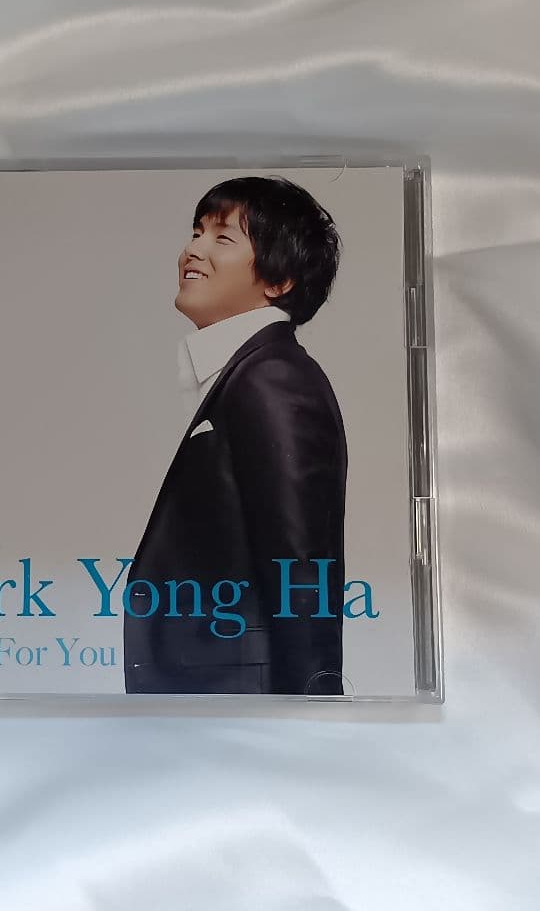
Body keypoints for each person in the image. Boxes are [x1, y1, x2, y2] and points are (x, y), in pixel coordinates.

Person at [124, 175, 347, 695]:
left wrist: (313, 715)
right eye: (196, 232)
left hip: (242, 704)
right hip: (221, 698)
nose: (193, 250)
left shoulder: (272, 377)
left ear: (280, 279)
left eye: (222, 237)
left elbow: (302, 569)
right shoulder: (251, 371)